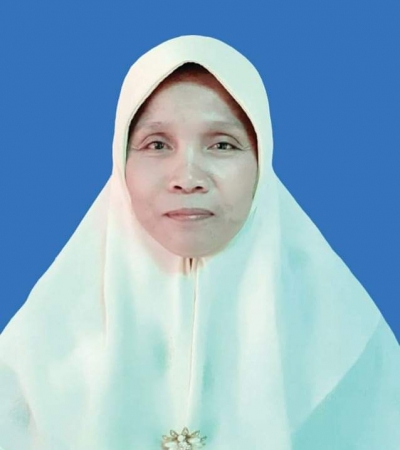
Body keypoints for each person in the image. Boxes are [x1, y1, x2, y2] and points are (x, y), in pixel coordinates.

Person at [0, 34, 399, 450]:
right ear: (121, 161)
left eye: (222, 145)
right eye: (157, 145)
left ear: (262, 161)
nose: (188, 178)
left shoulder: (347, 341)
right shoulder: (38, 348)